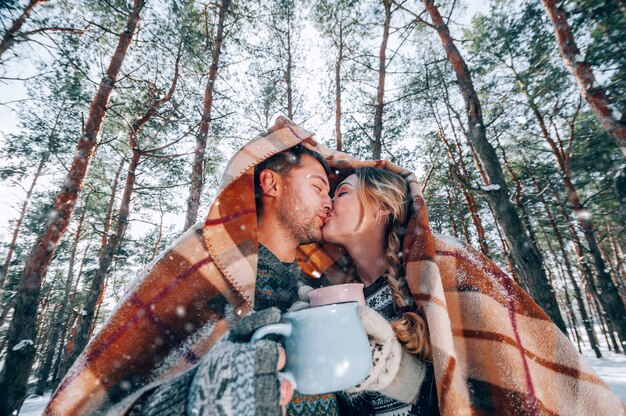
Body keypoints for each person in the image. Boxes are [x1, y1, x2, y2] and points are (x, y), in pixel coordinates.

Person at [320, 167, 439, 415]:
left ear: (383, 206)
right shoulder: (333, 298)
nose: (327, 202)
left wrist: (401, 376)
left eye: (341, 193)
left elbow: (479, 384)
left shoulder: (432, 275)